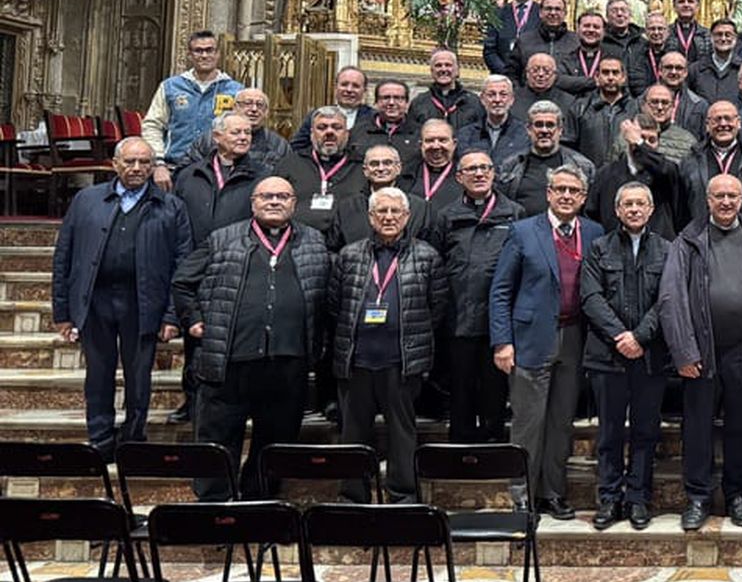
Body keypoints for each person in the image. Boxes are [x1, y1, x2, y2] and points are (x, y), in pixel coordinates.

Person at [167, 176, 332, 499]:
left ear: (294, 203)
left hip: (287, 363)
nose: (274, 201)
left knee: (275, 443)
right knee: (218, 439)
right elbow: (183, 282)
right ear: (253, 202)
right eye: (267, 196)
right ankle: (214, 506)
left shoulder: (313, 241)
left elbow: (328, 294)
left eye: (283, 196)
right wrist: (194, 320)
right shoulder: (222, 238)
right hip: (229, 361)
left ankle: (259, 503)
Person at [53, 138, 192, 459]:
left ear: (153, 165)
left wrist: (172, 316)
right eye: (130, 162)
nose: (137, 168)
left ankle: (133, 437)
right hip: (95, 301)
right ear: (115, 164)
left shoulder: (171, 206)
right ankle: (100, 438)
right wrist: (62, 311)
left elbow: (183, 265)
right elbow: (64, 256)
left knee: (138, 375)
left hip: (144, 303)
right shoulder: (87, 200)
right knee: (98, 373)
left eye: (145, 162)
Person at [659, 174, 742, 530]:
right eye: (719, 195)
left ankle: (737, 495)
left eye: (733, 196)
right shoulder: (688, 241)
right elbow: (671, 298)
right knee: (697, 429)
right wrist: (683, 351)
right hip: (700, 353)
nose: (726, 202)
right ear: (707, 199)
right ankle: (698, 497)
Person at [489, 164, 603, 515]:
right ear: (549, 193)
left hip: (574, 337)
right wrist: (502, 342)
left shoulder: (595, 232)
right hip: (529, 339)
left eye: (573, 191)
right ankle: (523, 494)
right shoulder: (523, 232)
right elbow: (500, 291)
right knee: (528, 422)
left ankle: (553, 492)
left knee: (560, 422)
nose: (566, 195)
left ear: (583, 198)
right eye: (560, 189)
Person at [329, 188, 446, 502]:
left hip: (401, 361)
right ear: (370, 217)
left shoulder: (427, 256)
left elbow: (437, 308)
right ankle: (352, 494)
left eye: (396, 212)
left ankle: (402, 493)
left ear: (407, 217)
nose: (389, 217)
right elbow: (335, 305)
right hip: (356, 360)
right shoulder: (349, 255)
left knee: (402, 433)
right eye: (382, 212)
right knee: (352, 434)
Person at [581, 181, 671, 530]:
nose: (634, 209)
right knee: (610, 433)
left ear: (650, 210)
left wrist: (640, 336)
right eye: (627, 204)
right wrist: (621, 336)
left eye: (640, 204)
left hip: (650, 357)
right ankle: (609, 498)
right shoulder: (599, 248)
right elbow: (590, 298)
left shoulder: (667, 249)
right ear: (617, 210)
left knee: (646, 432)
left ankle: (637, 499)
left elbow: (668, 300)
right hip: (607, 356)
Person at [169, 112, 262, 424]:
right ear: (217, 137)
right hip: (195, 262)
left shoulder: (259, 176)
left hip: (237, 265)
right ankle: (191, 401)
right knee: (194, 336)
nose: (243, 137)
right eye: (236, 132)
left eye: (247, 133)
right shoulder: (190, 175)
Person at [439, 149, 523, 443]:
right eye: (471, 169)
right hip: (458, 318)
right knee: (460, 390)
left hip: (497, 322)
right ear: (459, 176)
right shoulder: (446, 216)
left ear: (494, 173)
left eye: (484, 168)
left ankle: (492, 449)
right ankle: (460, 452)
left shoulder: (514, 213)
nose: (479, 174)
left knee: (494, 392)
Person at [142, 30, 243, 189]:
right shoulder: (171, 87)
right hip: (174, 168)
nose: (204, 55)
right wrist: (158, 163)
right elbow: (152, 125)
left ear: (218, 54)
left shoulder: (235, 90)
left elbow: (242, 131)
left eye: (209, 50)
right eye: (198, 51)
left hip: (218, 171)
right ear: (189, 55)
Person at [327, 144, 442, 254]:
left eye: (387, 163)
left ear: (398, 168)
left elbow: (432, 253)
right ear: (365, 170)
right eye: (374, 164)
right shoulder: (347, 208)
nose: (381, 168)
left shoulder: (421, 209)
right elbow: (334, 249)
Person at [589, 119, 682, 238]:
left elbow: (663, 167)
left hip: (657, 247)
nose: (646, 144)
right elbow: (592, 214)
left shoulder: (666, 172)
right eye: (642, 138)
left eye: (652, 140)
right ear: (627, 139)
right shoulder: (606, 173)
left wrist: (639, 143)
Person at [280, 106, 363, 236]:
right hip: (298, 243)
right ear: (312, 134)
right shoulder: (290, 164)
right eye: (322, 127)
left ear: (347, 134)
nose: (329, 132)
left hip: (348, 246)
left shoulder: (362, 166)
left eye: (337, 127)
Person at [679, 100, 742, 221]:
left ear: (739, 123)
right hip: (702, 236)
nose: (723, 124)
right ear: (707, 125)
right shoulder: (690, 161)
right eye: (717, 119)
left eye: (728, 118)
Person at [502, 102, 595, 216]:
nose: (544, 131)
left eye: (550, 125)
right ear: (529, 129)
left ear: (560, 130)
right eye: (539, 125)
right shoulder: (511, 165)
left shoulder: (583, 166)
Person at [181, 87, 288, 172]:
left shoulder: (278, 145)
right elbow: (187, 171)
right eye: (247, 103)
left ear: (266, 113)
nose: (254, 109)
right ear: (235, 107)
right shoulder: (211, 139)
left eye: (260, 105)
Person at [289, 66, 373, 152]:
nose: (349, 90)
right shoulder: (318, 115)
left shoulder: (374, 118)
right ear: (336, 88)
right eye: (344, 84)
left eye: (355, 86)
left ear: (364, 90)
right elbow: (297, 147)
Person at [457, 75, 529, 171]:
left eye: (503, 95)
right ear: (482, 99)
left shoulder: (525, 134)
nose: (497, 100)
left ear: (511, 99)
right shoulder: (465, 135)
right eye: (491, 95)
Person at [482, 0, 542, 77]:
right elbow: (489, 51)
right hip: (502, 79)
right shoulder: (497, 14)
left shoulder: (542, 14)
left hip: (534, 80)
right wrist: (506, 73)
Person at [572, 57, 633, 166]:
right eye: (605, 73)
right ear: (597, 77)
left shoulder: (635, 108)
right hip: (588, 176)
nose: (610, 77)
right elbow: (569, 148)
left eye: (615, 73)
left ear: (623, 77)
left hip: (625, 177)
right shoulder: (579, 108)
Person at [408, 48, 484, 132]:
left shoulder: (473, 102)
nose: (443, 69)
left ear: (457, 70)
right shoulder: (419, 102)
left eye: (448, 65)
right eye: (438, 65)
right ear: (432, 71)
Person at [349, 79, 420, 162]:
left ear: (407, 103)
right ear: (376, 102)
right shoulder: (358, 131)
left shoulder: (419, 133)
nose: (391, 103)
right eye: (386, 98)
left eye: (398, 98)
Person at [555, 11, 622, 98]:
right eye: (586, 26)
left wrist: (577, 84)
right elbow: (560, 81)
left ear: (604, 32)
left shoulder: (614, 58)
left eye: (596, 27)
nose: (591, 30)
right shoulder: (566, 58)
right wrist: (595, 81)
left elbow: (620, 84)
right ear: (577, 29)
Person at [401, 118, 462, 207]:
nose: (436, 146)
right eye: (430, 140)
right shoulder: (406, 174)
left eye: (442, 140)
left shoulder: (465, 175)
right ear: (421, 145)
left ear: (454, 144)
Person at [688, 19, 742, 105]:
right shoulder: (695, 70)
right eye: (719, 35)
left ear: (735, 38)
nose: (723, 38)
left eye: (728, 35)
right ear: (711, 38)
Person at [628, 12, 672, 97]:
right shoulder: (635, 56)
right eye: (652, 29)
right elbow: (636, 84)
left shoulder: (675, 55)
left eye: (660, 29)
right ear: (646, 32)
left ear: (668, 32)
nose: (656, 32)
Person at [670, 0, 712, 65]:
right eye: (681, 1)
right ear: (674, 7)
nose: (686, 5)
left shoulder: (707, 34)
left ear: (697, 6)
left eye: (690, 1)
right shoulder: (666, 33)